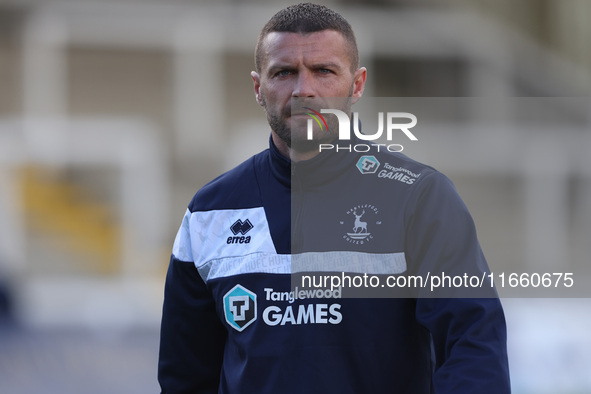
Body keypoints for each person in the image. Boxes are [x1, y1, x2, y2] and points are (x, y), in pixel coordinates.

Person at [158, 3, 511, 393]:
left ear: (357, 84)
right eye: (284, 72)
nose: (303, 89)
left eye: (323, 71)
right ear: (259, 88)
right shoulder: (210, 212)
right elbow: (185, 377)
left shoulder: (419, 197)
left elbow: (474, 345)